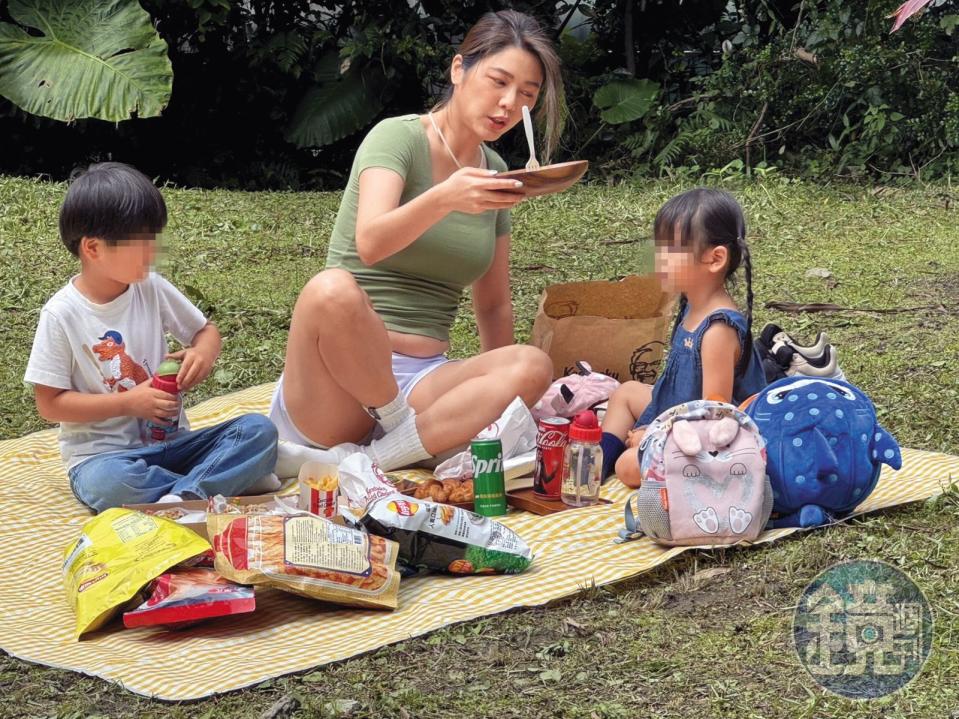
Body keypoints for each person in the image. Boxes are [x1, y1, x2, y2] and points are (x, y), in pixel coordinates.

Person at [271, 10, 566, 473]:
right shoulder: (398, 138)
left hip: (423, 381)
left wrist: (503, 410)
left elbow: (492, 305)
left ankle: (378, 460)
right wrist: (446, 197)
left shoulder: (494, 170)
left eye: (526, 96)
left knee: (530, 366)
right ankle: (400, 431)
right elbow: (369, 241)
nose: (508, 104)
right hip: (340, 379)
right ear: (458, 70)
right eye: (498, 81)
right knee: (329, 289)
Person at [24, 162, 278, 512]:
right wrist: (127, 403)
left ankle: (182, 497)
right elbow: (49, 404)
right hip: (105, 459)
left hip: (175, 446)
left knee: (258, 431)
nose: (152, 253)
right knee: (112, 486)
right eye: (140, 244)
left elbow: (206, 332)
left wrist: (201, 356)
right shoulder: (62, 314)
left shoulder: (150, 287)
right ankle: (216, 484)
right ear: (93, 249)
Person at [600, 188, 767, 488]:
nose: (657, 258)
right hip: (678, 411)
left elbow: (714, 419)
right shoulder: (691, 305)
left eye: (669, 250)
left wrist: (653, 433)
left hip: (711, 437)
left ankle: (624, 458)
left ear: (714, 259)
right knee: (625, 393)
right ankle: (598, 463)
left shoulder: (718, 330)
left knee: (627, 467)